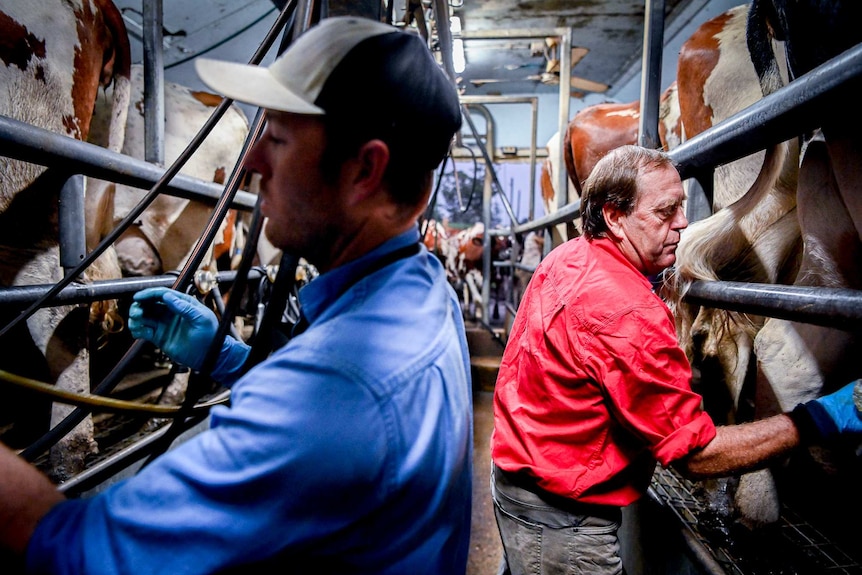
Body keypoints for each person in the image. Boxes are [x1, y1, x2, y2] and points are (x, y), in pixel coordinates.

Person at [0, 16, 474, 574]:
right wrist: (226, 357)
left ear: (365, 170)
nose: (250, 163)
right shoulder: (423, 290)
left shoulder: (336, 394)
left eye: (276, 138)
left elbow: (77, 553)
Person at [490, 145, 862, 575]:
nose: (683, 223)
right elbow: (696, 455)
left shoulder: (567, 257)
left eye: (681, 206)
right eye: (665, 212)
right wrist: (818, 418)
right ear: (614, 216)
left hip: (520, 484)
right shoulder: (628, 312)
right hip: (565, 520)